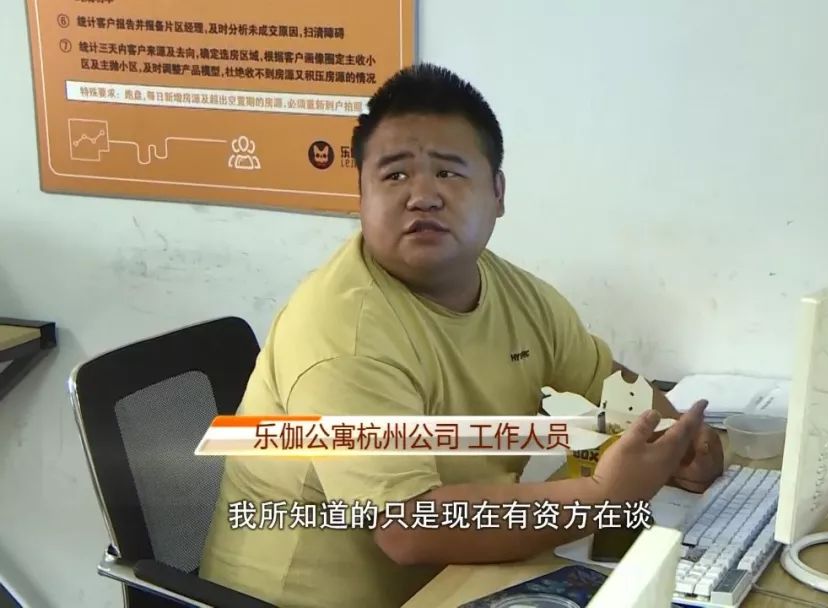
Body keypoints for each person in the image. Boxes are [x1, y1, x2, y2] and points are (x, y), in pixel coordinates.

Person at [199, 63, 724, 608]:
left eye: (449, 173)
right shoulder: (343, 332)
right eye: (394, 176)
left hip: (455, 581)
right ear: (360, 197)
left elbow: (606, 381)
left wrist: (677, 437)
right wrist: (602, 496)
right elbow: (407, 528)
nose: (422, 196)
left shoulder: (515, 293)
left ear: (497, 192)